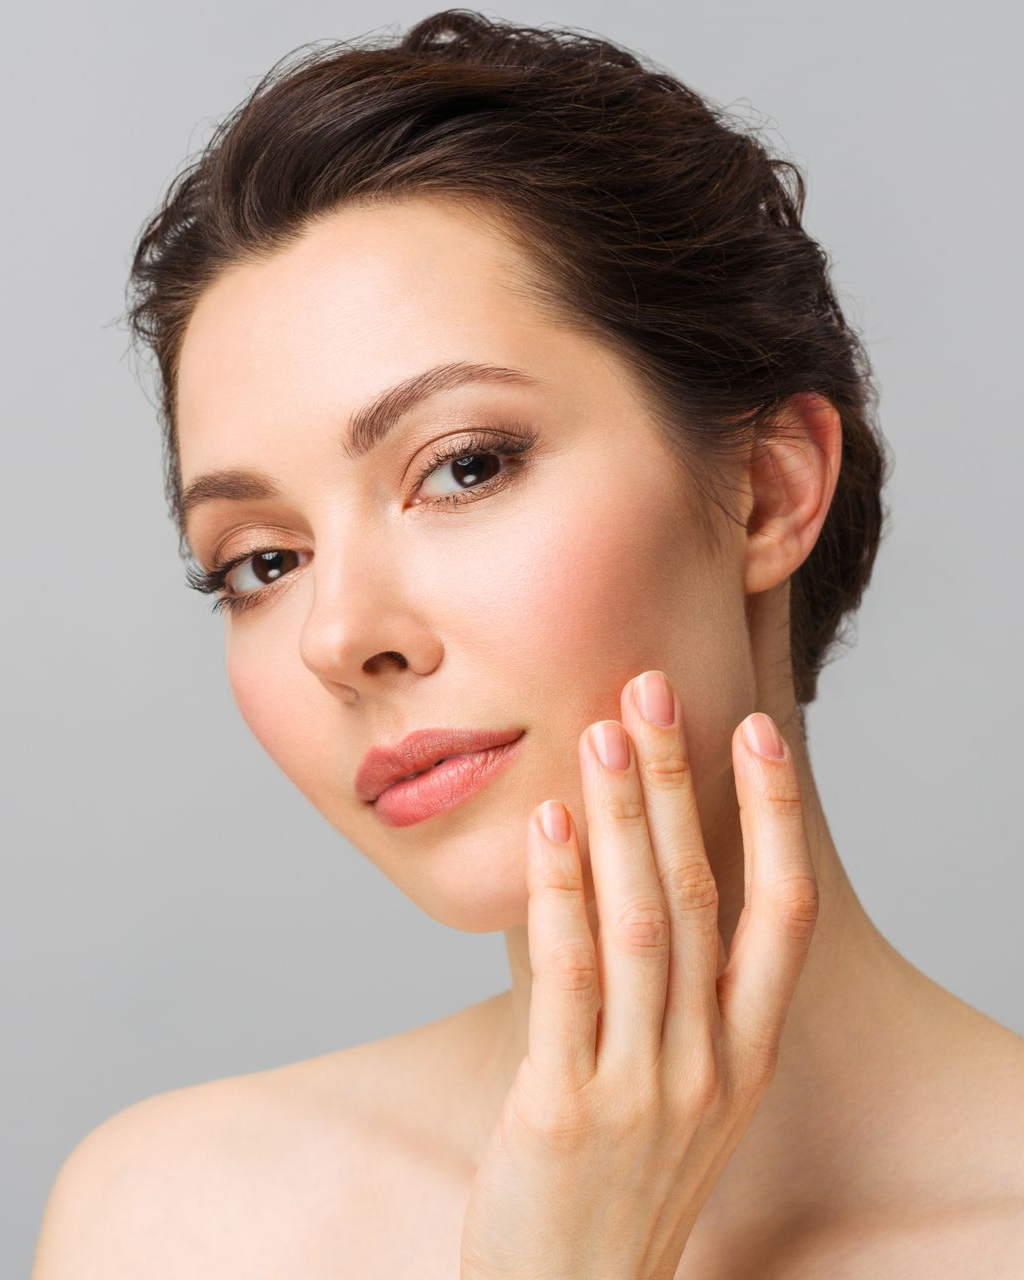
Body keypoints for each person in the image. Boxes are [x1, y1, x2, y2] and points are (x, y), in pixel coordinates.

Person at [31, 9, 1024, 1277]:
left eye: (464, 466)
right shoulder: (177, 1223)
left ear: (768, 489)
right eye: (262, 562)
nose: (340, 636)